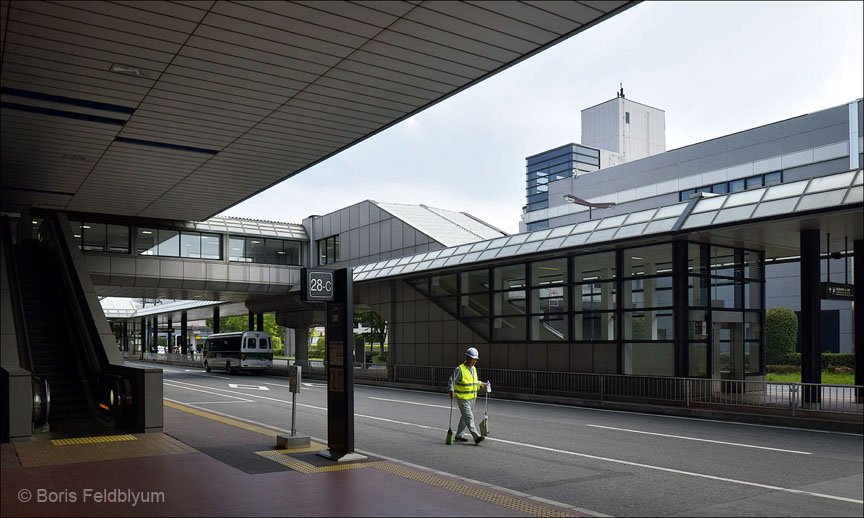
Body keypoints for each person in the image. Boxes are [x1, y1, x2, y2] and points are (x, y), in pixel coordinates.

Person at [448, 347, 488, 445]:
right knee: (469, 417)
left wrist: (481, 384)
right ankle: (476, 436)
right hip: (463, 398)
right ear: (467, 357)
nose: (473, 361)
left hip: (472, 398)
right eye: (472, 359)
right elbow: (451, 380)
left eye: (475, 359)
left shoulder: (473, 369)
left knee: (465, 417)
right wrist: (451, 390)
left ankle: (459, 435)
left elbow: (473, 382)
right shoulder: (460, 369)